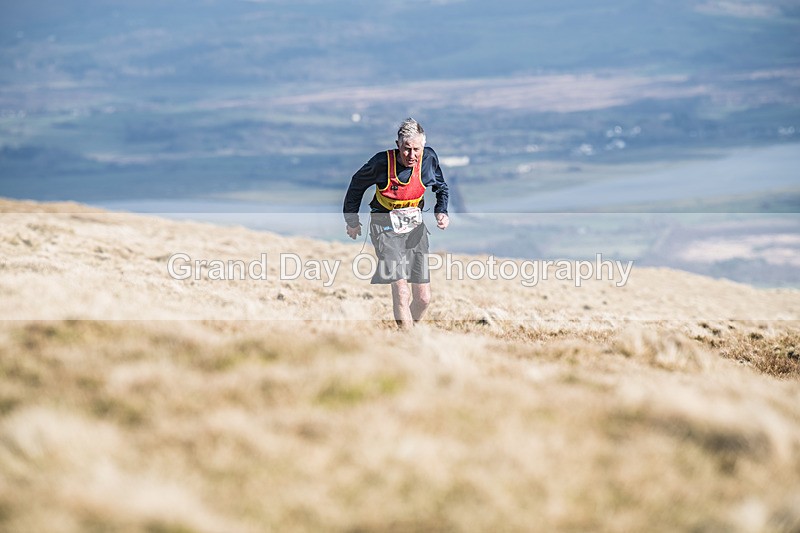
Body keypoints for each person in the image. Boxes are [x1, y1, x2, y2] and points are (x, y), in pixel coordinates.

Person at [343, 118, 450, 329]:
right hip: (384, 226)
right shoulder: (381, 163)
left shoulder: (428, 159)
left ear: (423, 146)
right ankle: (409, 341)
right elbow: (356, 185)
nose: (412, 155)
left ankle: (404, 335)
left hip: (415, 228)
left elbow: (441, 186)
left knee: (423, 299)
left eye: (416, 149)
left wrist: (441, 211)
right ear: (397, 145)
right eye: (406, 149)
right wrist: (352, 221)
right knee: (402, 291)